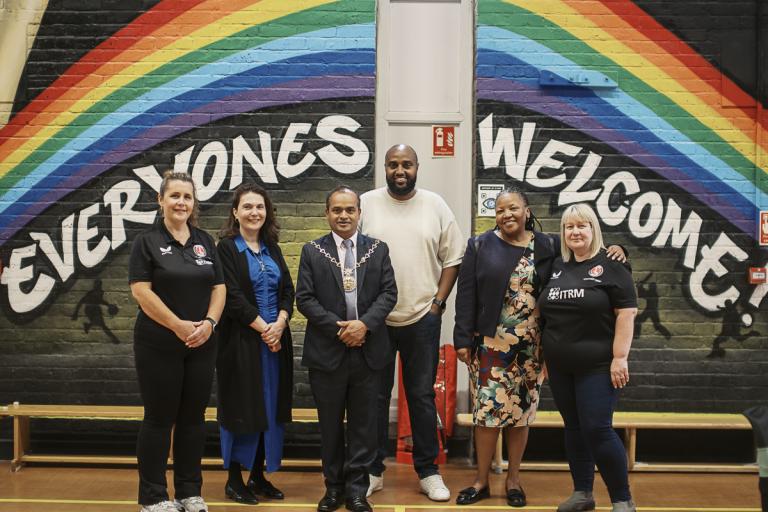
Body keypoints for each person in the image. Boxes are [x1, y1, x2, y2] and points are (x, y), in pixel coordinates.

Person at [453, 188, 626, 507]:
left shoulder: (547, 245)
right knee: (487, 415)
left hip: (534, 346)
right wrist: (461, 338)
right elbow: (467, 293)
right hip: (492, 343)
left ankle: (514, 481)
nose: (507, 215)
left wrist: (616, 248)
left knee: (521, 415)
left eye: (513, 208)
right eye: (501, 210)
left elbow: (583, 258)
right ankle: (481, 481)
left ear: (527, 211)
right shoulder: (480, 244)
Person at [360, 144, 465, 502]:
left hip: (423, 317)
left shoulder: (435, 205)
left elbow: (454, 257)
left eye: (406, 164)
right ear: (384, 168)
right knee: (374, 397)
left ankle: (428, 471)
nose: (399, 170)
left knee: (420, 396)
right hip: (377, 319)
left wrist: (438, 303)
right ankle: (374, 469)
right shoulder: (367, 203)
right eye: (393, 164)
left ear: (417, 167)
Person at [296, 185, 398, 512]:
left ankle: (357, 491)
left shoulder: (378, 249)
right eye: (337, 210)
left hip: (369, 352)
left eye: (349, 210)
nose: (343, 216)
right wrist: (340, 329)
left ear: (359, 212)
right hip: (328, 353)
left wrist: (364, 325)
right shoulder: (312, 251)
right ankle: (332, 489)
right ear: (327, 213)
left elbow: (388, 294)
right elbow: (305, 299)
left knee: (363, 428)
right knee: (329, 427)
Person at [128, 171, 226, 512]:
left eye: (187, 196)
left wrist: (210, 324)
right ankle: (153, 497)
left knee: (193, 420)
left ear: (193, 202)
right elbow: (140, 291)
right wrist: (178, 326)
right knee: (158, 419)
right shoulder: (146, 242)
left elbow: (219, 287)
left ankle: (188, 492)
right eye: (174, 196)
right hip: (159, 343)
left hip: (202, 344)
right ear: (161, 200)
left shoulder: (204, 241)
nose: (181, 202)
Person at [537, 203, 638, 512]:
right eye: (569, 227)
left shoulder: (611, 263)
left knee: (597, 429)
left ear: (594, 230)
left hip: (597, 366)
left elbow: (627, 313)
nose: (575, 231)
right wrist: (543, 360)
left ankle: (622, 499)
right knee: (574, 429)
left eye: (582, 225)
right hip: (560, 367)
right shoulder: (556, 266)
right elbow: (546, 317)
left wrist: (620, 357)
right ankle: (583, 493)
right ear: (563, 233)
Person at [215, 183, 295, 505]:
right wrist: (266, 329)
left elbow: (288, 290)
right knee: (242, 407)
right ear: (236, 212)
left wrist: (281, 323)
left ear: (267, 211)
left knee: (270, 409)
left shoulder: (272, 247)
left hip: (275, 344)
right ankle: (234, 480)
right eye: (247, 206)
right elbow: (231, 297)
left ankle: (259, 475)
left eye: (259, 207)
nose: (254, 212)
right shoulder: (226, 248)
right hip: (241, 343)